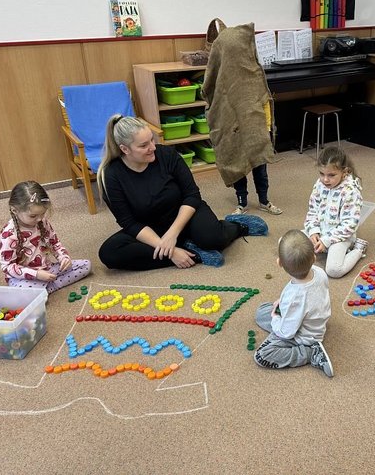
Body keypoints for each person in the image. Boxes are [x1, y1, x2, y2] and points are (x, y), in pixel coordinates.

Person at [97, 115, 267, 270]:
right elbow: (129, 223)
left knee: (212, 239)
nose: (152, 147)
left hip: (186, 213)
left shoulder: (167, 154)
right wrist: (171, 252)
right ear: (125, 149)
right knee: (110, 253)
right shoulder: (111, 176)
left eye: (151, 140)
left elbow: (192, 195)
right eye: (143, 145)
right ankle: (193, 254)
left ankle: (238, 226)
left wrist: (172, 234)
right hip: (151, 227)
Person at [202, 22, 283, 216]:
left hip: (256, 128)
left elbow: (264, 98)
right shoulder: (221, 77)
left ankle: (264, 200)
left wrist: (267, 127)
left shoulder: (253, 72)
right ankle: (242, 202)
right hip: (232, 128)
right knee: (236, 162)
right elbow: (210, 92)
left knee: (259, 164)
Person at [253, 230, 333, 377]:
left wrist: (276, 317)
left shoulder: (295, 297)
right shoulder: (319, 271)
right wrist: (282, 304)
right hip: (314, 320)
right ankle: (281, 316)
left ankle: (310, 352)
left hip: (304, 336)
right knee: (261, 311)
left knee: (262, 355)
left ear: (279, 263)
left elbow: (286, 333)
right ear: (314, 258)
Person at [0, 181, 91, 294]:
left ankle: (46, 288)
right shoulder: (8, 235)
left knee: (85, 265)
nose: (39, 219)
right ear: (14, 210)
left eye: (42, 213)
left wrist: (63, 258)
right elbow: (7, 266)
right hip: (23, 278)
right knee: (23, 292)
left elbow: (55, 244)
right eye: (33, 216)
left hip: (47, 270)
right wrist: (36, 274)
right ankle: (44, 288)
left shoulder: (42, 222)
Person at [304, 146, 367, 278]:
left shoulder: (351, 191)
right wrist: (313, 231)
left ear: (344, 172)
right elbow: (312, 211)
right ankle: (320, 244)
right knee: (286, 243)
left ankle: (358, 250)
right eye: (321, 174)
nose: (325, 179)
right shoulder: (319, 184)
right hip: (321, 231)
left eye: (331, 175)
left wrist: (326, 240)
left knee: (334, 270)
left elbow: (350, 225)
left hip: (340, 237)